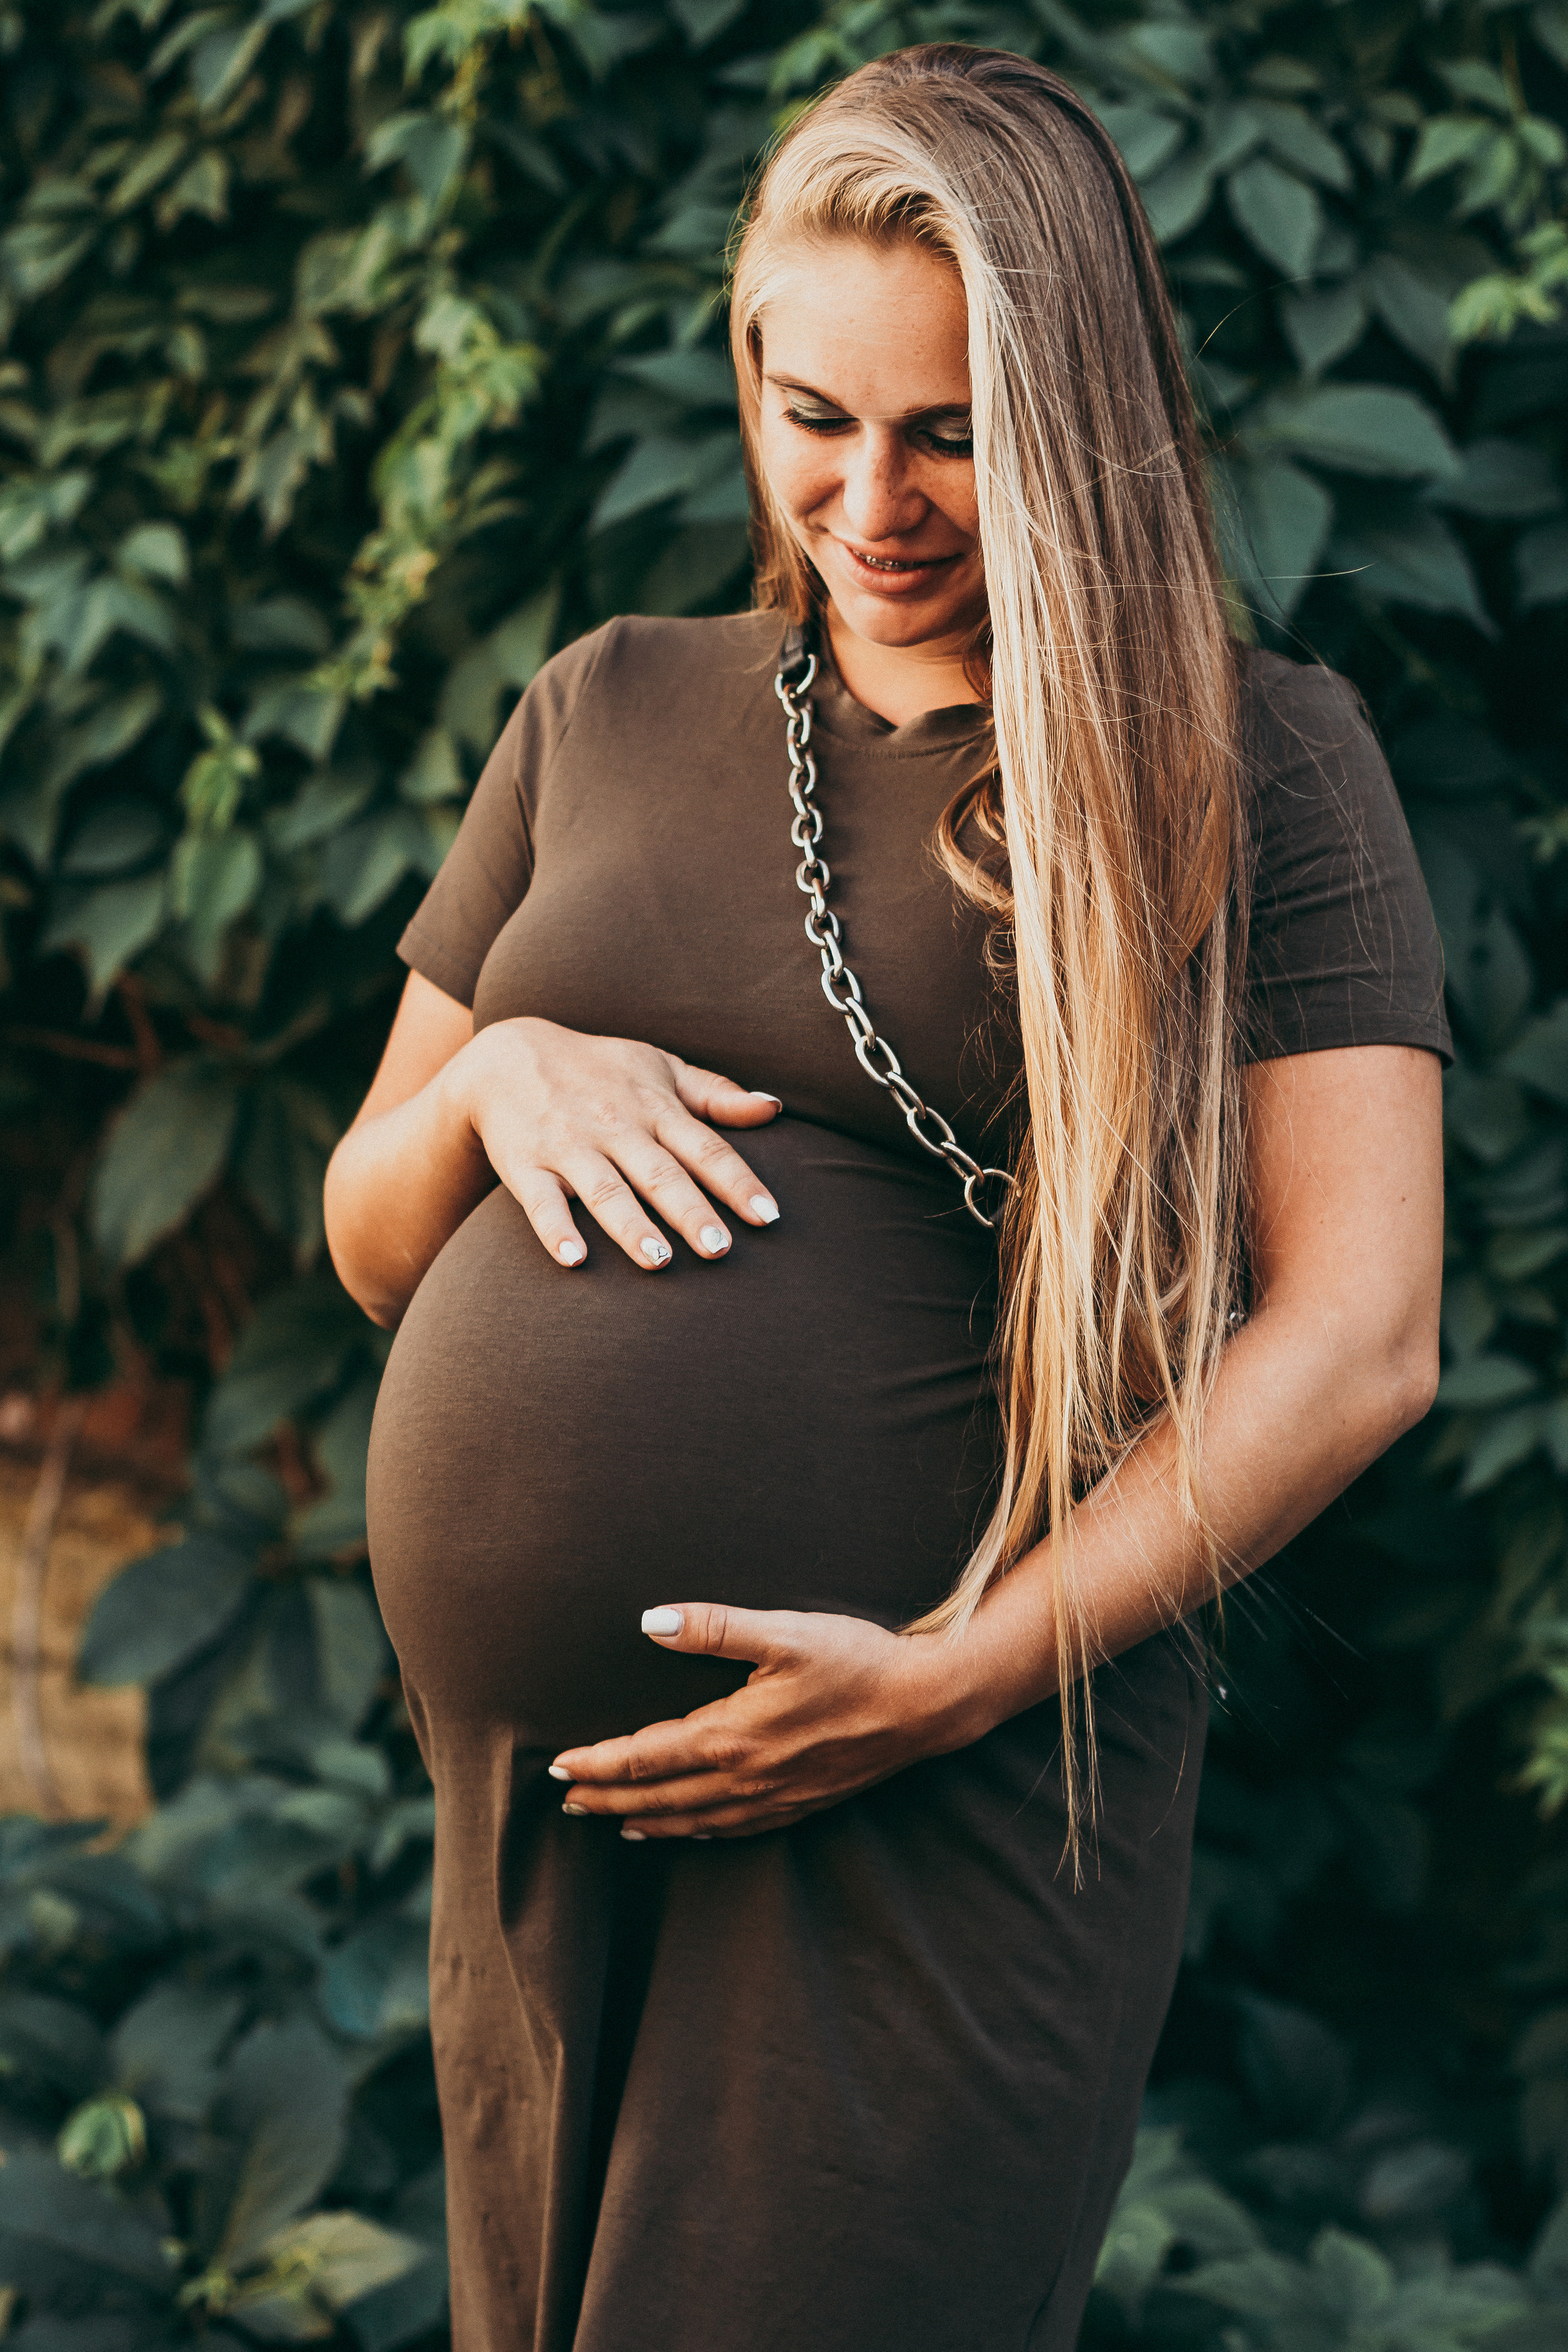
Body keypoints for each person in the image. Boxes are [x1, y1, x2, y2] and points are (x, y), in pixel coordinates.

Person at [323, 43, 1449, 2352]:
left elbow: (1360, 1338)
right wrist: (499, 1075)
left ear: (1083, 412)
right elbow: (369, 1236)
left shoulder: (1245, 763)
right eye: (810, 410)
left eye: (948, 428)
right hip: (548, 1809)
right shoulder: (608, 707)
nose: (870, 496)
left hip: (938, 1793)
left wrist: (944, 1682)